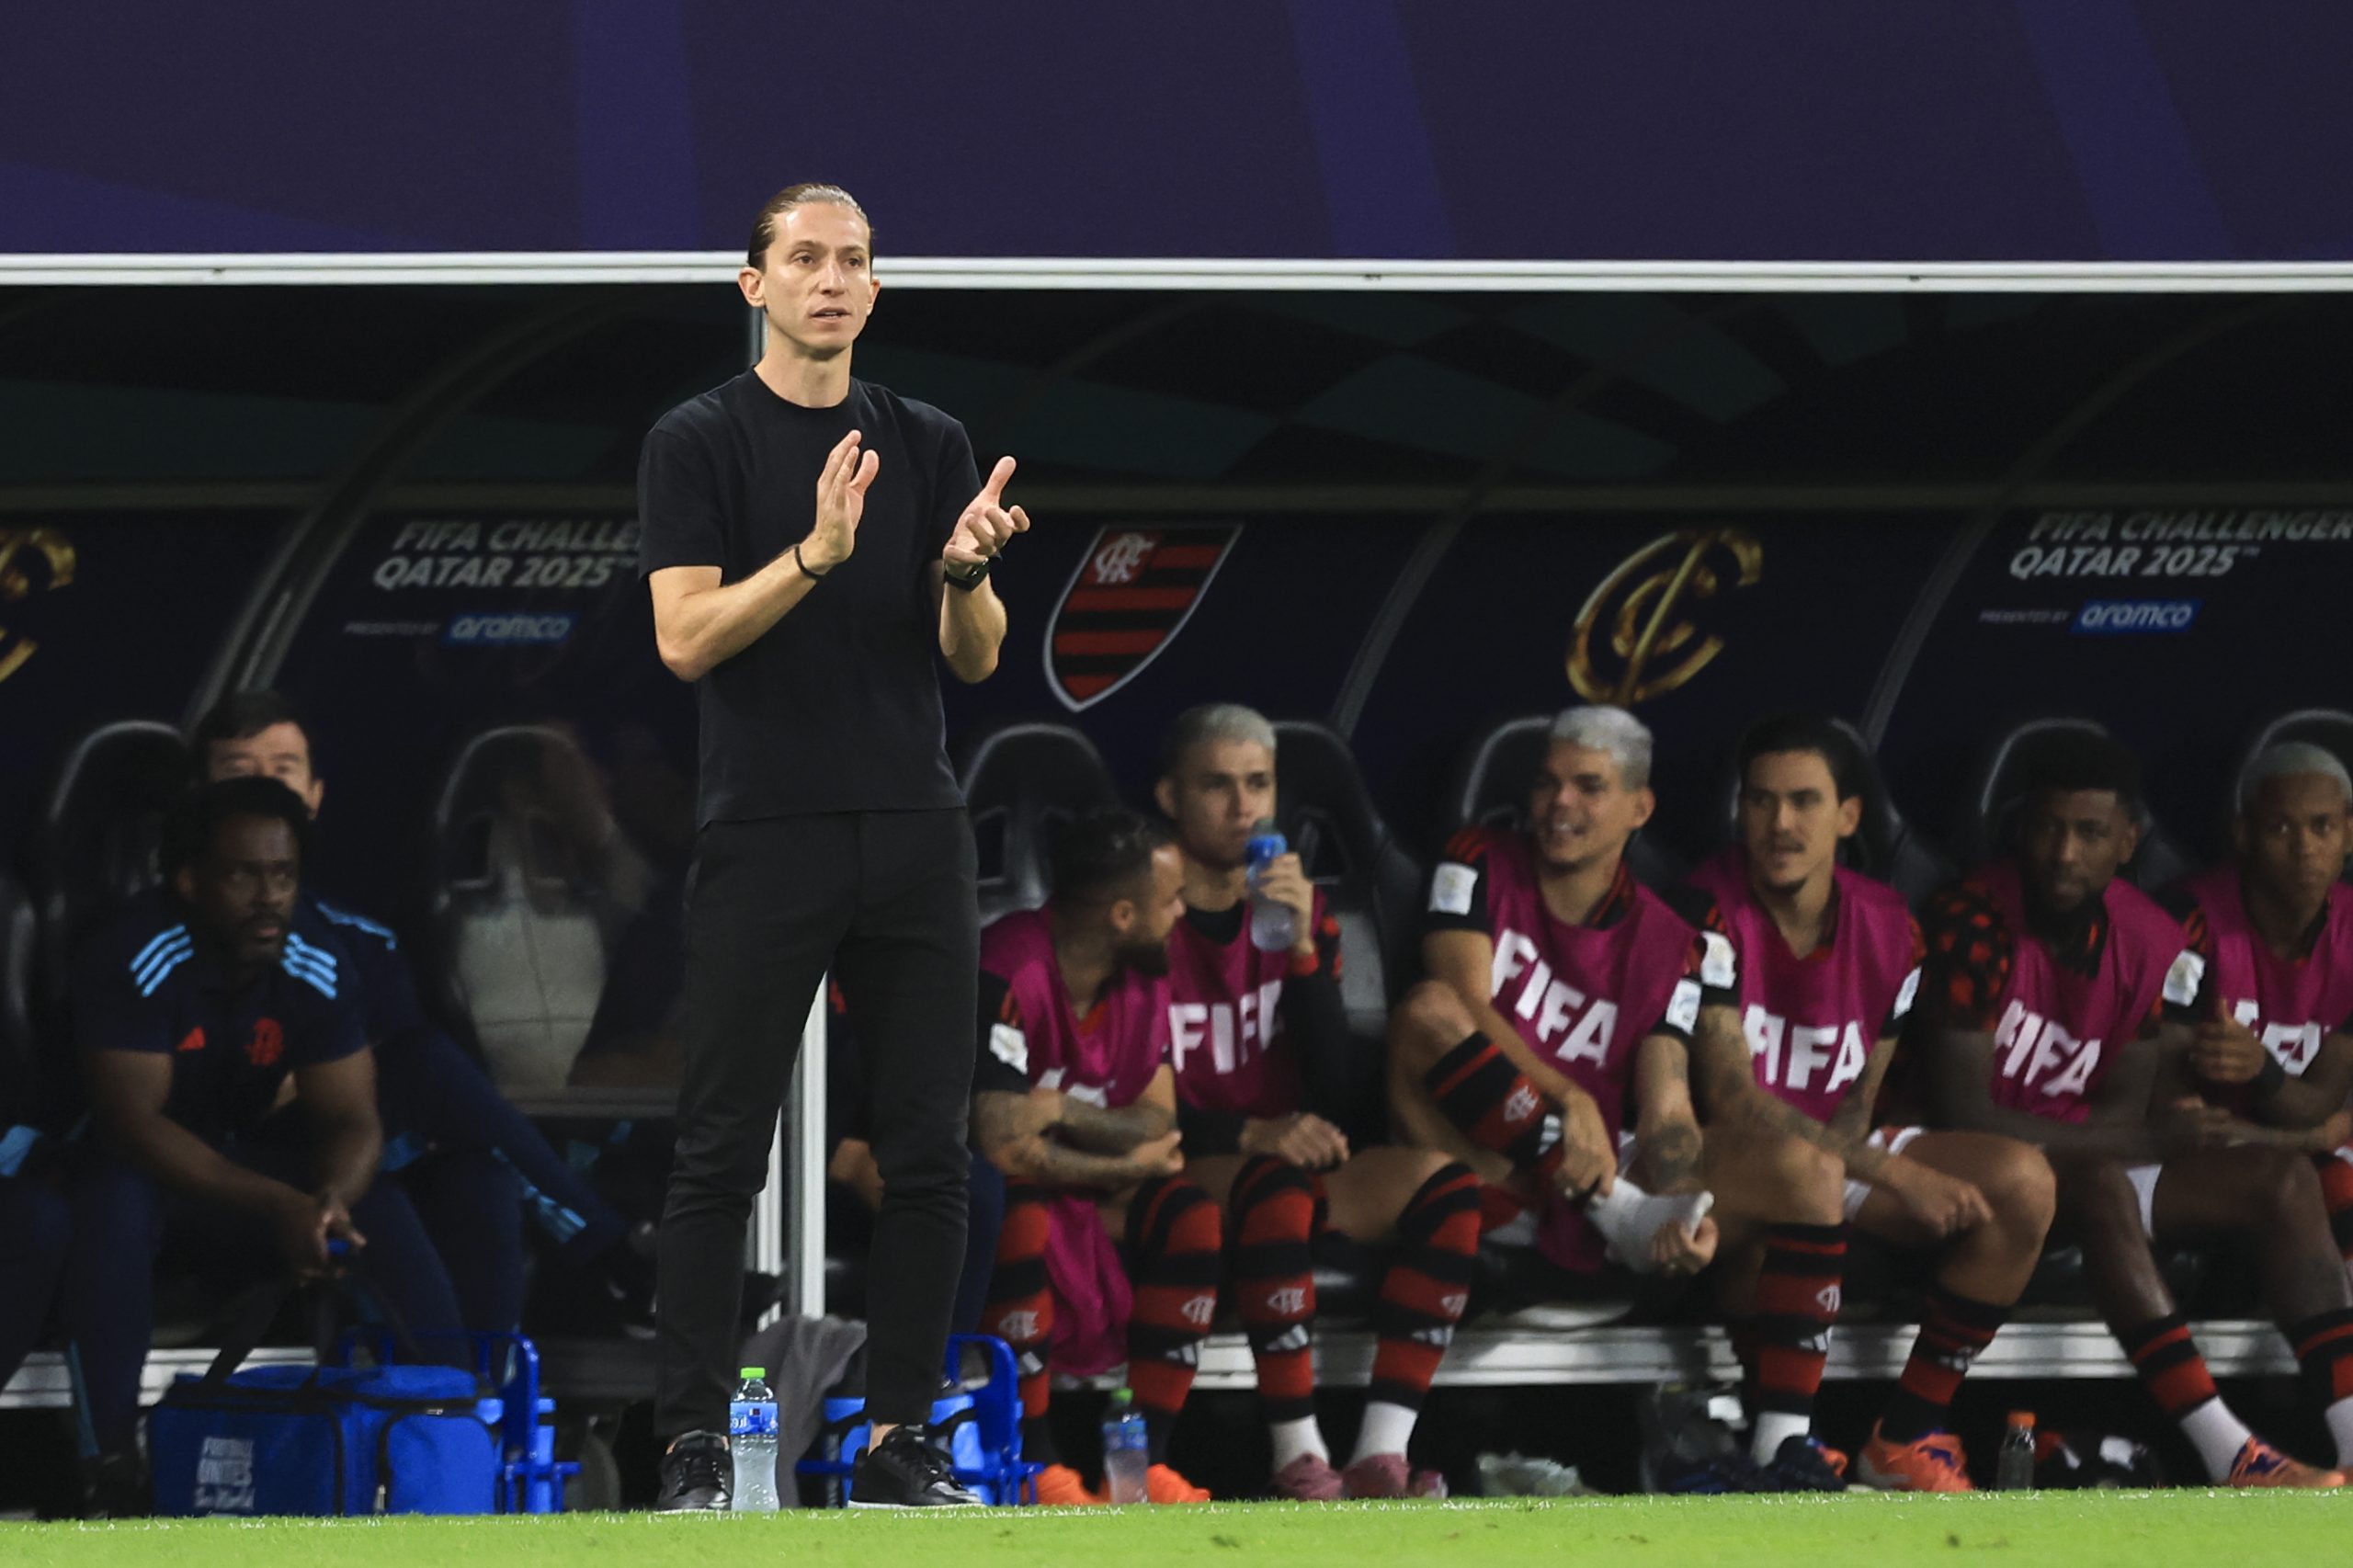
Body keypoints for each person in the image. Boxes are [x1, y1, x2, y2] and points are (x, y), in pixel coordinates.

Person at [640, 182, 1027, 1510]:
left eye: (853, 260)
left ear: (874, 286)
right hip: (766, 827)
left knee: (930, 1150)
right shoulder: (698, 440)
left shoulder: (926, 438)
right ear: (754, 284)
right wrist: (814, 552)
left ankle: (900, 1438)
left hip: (914, 824)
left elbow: (973, 658)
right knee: (719, 1152)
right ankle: (695, 1445)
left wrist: (965, 572)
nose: (831, 280)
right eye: (804, 259)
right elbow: (683, 638)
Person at [1387, 705, 1857, 1493]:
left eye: (1588, 787)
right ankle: (1614, 1211)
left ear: (1640, 807)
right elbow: (1458, 1002)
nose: (1559, 803)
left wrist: (1681, 1208)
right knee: (1427, 1012)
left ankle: (1784, 1450)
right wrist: (1568, 1098)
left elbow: (1666, 1103)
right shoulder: (1477, 860)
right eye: (1547, 783)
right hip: (1479, 1159)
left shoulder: (1674, 940)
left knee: (1811, 1173)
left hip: (1599, 1159)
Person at [1912, 731, 2349, 1488]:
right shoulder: (1971, 919)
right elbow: (1965, 1111)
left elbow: (2125, 1110)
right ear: (2021, 831)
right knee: (2100, 1181)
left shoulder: (2153, 937)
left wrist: (2160, 1132)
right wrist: (2145, 1137)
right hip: (1969, 1171)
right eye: (2049, 829)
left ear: (2127, 841)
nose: (2064, 854)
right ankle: (2229, 1453)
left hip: (2086, 1160)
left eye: (2089, 833)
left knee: (2283, 1181)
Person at [190, 690, 655, 1335]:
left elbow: (384, 1094)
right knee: (416, 1085)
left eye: (283, 770)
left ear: (315, 796)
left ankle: (484, 1393)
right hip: (221, 1170)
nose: (266, 790)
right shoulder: (160, 935)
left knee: (480, 1178)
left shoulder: (360, 939)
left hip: (346, 1155)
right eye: (241, 772)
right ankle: (613, 1256)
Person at [60, 778, 469, 1508]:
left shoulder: (314, 957)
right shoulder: (138, 950)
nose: (269, 897)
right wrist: (282, 1204)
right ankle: (110, 1463)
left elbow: (352, 1119)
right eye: (243, 875)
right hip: (154, 1177)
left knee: (378, 1204)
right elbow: (132, 1124)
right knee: (112, 1199)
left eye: (283, 875)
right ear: (190, 881)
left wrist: (327, 1204)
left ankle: (457, 1433)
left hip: (250, 1180)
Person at [1682, 715, 2056, 1492]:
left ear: (1849, 816)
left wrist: (1862, 1167)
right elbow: (1730, 1098)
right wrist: (1891, 1174)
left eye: (1804, 801)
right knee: (1798, 1179)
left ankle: (1907, 1434)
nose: (1780, 823)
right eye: (1761, 801)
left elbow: (1859, 1100)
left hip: (1831, 1151)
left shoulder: (1894, 929)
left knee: (2023, 1184)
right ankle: (1776, 1445)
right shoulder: (1701, 910)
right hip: (1723, 1161)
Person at [1153, 704, 1479, 1500]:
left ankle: (1379, 1455)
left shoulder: (1302, 913)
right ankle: (1296, 1456)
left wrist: (1300, 947)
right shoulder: (1142, 913)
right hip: (1182, 1158)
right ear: (1170, 797)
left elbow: (1334, 1088)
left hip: (1291, 1157)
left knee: (1446, 1188)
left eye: (1258, 785)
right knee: (1277, 1187)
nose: (1243, 807)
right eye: (1217, 786)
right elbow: (1115, 1084)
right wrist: (1250, 1132)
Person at [972, 811, 1220, 1506]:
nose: (1182, 914)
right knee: (1018, 1204)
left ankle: (1144, 1462)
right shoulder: (1007, 967)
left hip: (1082, 1192)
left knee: (1191, 1217)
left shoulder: (1143, 974)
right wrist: (1124, 1165)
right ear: (1121, 915)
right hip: (991, 1196)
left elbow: (1157, 1117)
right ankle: (1034, 1460)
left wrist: (1061, 1110)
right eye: (1170, 900)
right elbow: (1001, 1144)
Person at [2163, 742, 2353, 1465]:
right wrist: (2301, 1128)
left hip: (2294, 1162)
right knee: (2320, 1173)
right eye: (2280, 827)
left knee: (2333, 1174)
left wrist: (2263, 1072)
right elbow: (2170, 1113)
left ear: (2349, 833)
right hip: (2197, 1172)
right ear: (2244, 833)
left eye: (2322, 826)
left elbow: (2320, 1102)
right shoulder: (2186, 921)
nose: (2304, 847)